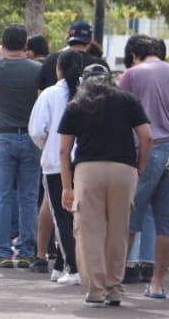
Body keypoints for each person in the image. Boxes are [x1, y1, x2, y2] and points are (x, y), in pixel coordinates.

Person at [59, 64, 153, 306]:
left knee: (89, 231)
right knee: (118, 230)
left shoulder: (76, 105)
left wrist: (66, 186)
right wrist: (139, 168)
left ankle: (96, 290)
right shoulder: (129, 100)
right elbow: (147, 137)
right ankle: (114, 289)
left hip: (88, 170)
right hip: (124, 170)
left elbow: (63, 150)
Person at [119, 35, 169, 298]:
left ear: (133, 55)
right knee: (167, 225)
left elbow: (120, 112)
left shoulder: (131, 75)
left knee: (130, 218)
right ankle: (156, 284)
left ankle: (118, 276)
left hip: (142, 150)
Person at [0, 19, 44, 270]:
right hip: (31, 138)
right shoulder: (37, 70)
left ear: (3, 44)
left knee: (1, 196)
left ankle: (2, 251)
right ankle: (26, 250)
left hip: (1, 137)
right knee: (28, 196)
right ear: (26, 45)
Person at [29, 48, 85, 284]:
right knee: (79, 216)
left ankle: (73, 267)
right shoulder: (88, 92)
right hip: (84, 162)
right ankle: (62, 265)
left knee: (61, 216)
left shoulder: (50, 94)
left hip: (55, 163)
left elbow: (37, 130)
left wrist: (47, 145)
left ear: (57, 69)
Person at [37, 20, 101, 92]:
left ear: (67, 40)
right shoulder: (99, 65)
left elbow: (40, 93)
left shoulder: (50, 60)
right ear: (89, 42)